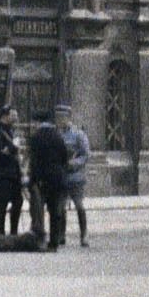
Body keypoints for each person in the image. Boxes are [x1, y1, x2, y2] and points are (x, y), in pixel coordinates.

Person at [28, 111, 70, 251]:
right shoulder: (58, 137)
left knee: (38, 211)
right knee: (55, 211)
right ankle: (54, 242)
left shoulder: (35, 138)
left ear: (38, 123)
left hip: (42, 180)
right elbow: (65, 157)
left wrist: (33, 179)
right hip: (57, 179)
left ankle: (39, 239)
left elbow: (34, 161)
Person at [56, 101, 92, 247]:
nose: (59, 120)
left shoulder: (78, 134)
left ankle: (84, 235)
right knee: (60, 208)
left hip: (75, 177)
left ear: (69, 117)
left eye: (62, 117)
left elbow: (86, 154)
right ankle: (61, 235)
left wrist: (74, 163)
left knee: (79, 206)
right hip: (61, 177)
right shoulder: (55, 134)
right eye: (57, 117)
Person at [0, 104, 24, 239]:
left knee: (18, 201)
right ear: (4, 116)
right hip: (3, 173)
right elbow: (0, 153)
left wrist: (11, 149)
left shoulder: (11, 131)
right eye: (11, 115)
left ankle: (13, 232)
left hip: (14, 173)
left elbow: (10, 150)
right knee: (2, 204)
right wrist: (12, 148)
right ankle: (2, 233)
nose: (14, 117)